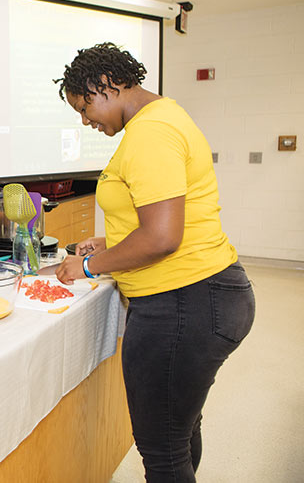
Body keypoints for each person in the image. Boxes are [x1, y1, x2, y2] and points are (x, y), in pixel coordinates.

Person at [53, 43, 255, 482]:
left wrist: (89, 267)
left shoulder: (150, 133)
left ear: (104, 85)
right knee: (179, 432)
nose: (86, 121)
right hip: (206, 293)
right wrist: (111, 241)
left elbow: (163, 237)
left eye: (84, 107)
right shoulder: (165, 117)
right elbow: (170, 216)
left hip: (184, 303)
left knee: (162, 451)